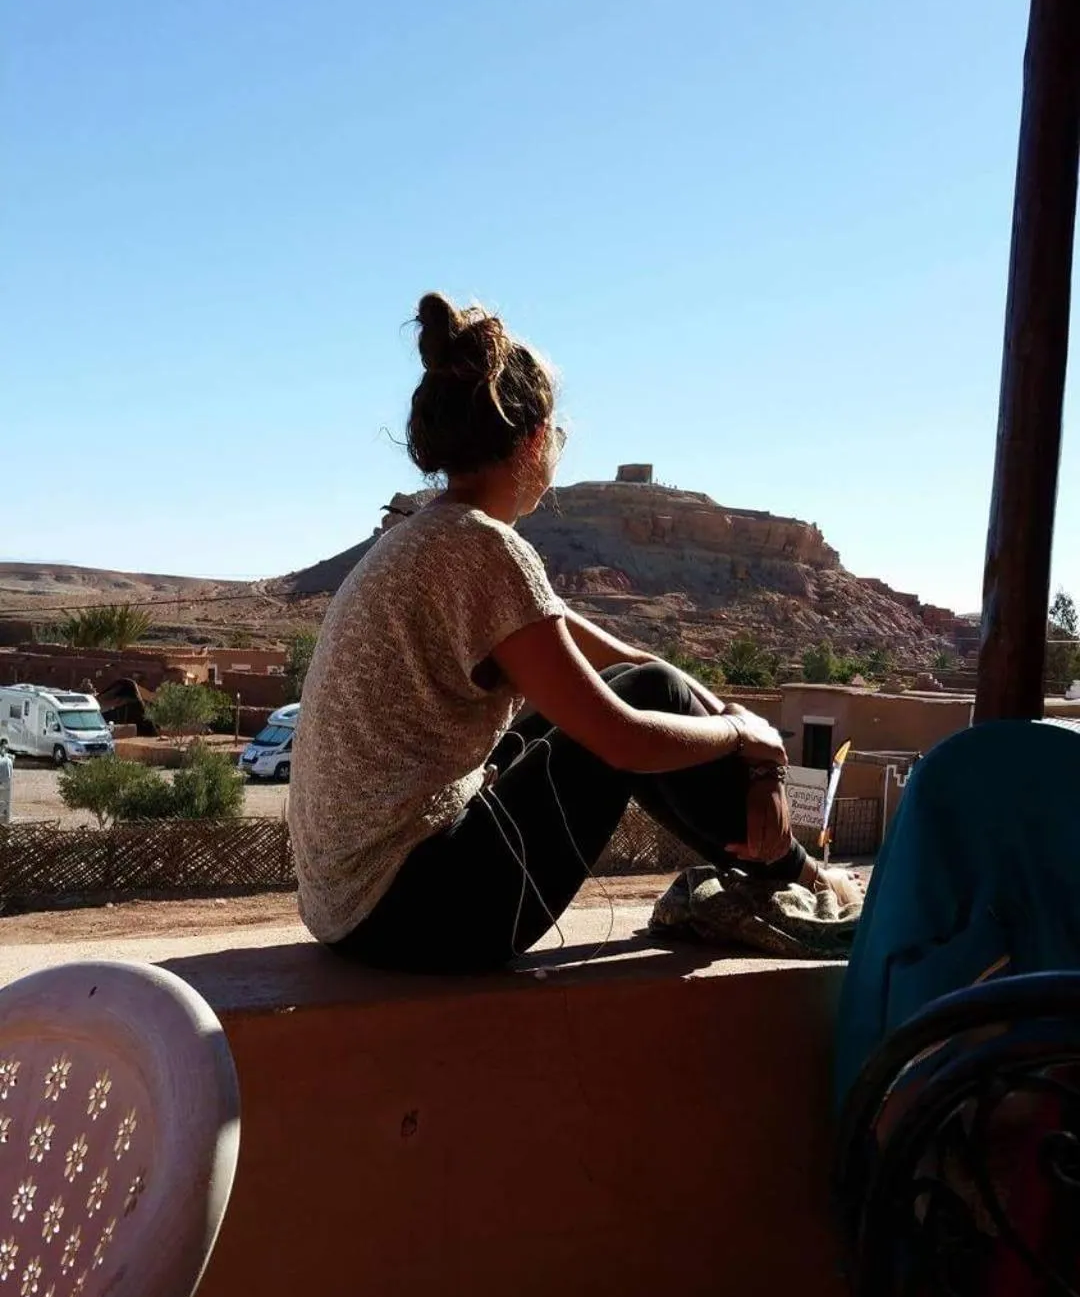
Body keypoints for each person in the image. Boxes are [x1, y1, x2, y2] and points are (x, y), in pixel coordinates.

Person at [289, 293, 857, 972]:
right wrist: (743, 734)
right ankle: (797, 875)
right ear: (535, 441)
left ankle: (784, 865)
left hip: (354, 911)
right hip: (420, 912)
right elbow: (624, 734)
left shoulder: (427, 536)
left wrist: (757, 753)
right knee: (639, 699)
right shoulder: (484, 550)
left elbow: (632, 661)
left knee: (639, 685)